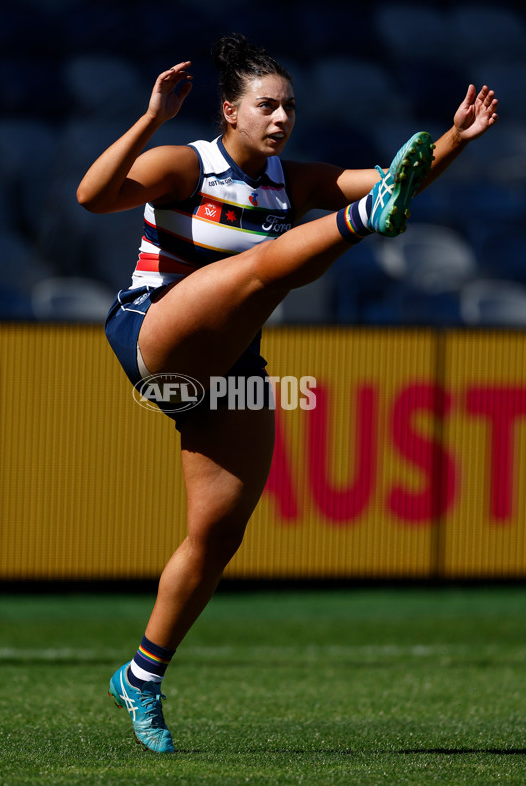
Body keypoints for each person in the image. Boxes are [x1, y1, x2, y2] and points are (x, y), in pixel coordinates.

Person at [77, 33, 498, 753]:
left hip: (229, 366)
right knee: (265, 267)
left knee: (219, 533)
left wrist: (454, 138)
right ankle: (358, 230)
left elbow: (399, 178)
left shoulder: (289, 180)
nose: (281, 120)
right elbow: (93, 198)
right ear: (229, 113)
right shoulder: (187, 162)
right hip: (157, 338)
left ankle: (141, 676)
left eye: (290, 108)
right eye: (266, 107)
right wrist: (150, 117)